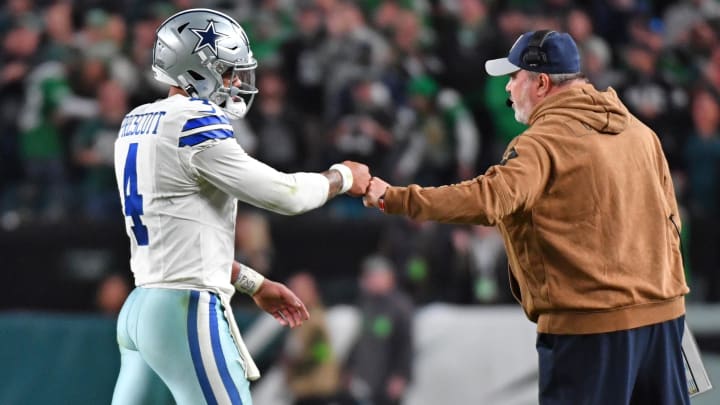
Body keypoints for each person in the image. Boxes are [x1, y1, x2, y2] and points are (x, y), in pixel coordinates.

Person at [363, 30, 690, 405]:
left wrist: (396, 198)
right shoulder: (640, 132)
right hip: (665, 319)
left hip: (591, 327)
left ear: (541, 83)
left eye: (514, 76)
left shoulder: (542, 142)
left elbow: (488, 199)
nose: (507, 88)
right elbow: (671, 221)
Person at [111, 8, 371, 405]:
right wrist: (343, 177)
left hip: (139, 310)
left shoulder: (136, 121)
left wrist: (255, 283)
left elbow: (182, 241)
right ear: (195, 69)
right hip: (185, 309)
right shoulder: (193, 122)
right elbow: (287, 196)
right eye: (227, 70)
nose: (235, 82)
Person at [345, 254, 413, 405]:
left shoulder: (400, 306)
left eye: (375, 276)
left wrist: (401, 375)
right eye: (368, 277)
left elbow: (406, 345)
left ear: (389, 277)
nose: (371, 281)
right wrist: (349, 368)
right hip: (365, 379)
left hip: (387, 381)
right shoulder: (366, 304)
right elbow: (359, 341)